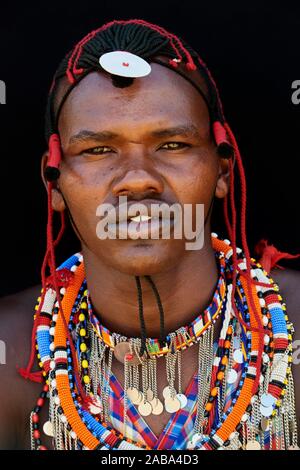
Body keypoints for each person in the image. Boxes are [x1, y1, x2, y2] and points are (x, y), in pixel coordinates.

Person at [0, 19, 299, 451]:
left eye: (172, 145)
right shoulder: (11, 353)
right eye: (98, 150)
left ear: (222, 171)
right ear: (55, 186)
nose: (138, 180)